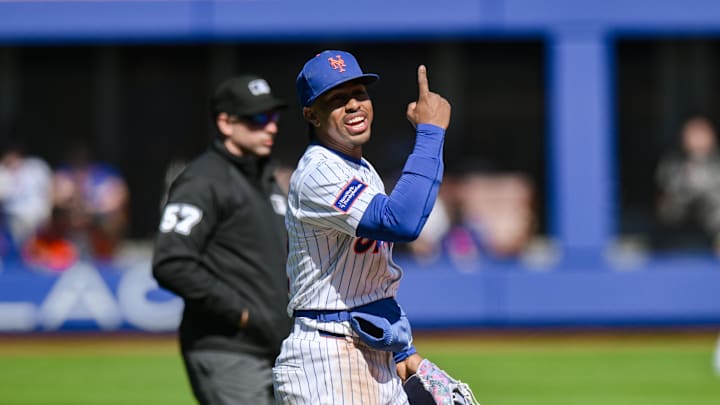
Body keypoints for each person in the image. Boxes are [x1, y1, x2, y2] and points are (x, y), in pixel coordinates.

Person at [272, 50, 479, 404]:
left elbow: (371, 280)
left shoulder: (363, 171)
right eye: (337, 99)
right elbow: (401, 221)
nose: (353, 105)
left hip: (368, 350)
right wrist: (430, 133)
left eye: (359, 94)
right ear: (311, 114)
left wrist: (402, 351)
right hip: (325, 360)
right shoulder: (318, 173)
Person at [152, 75, 293, 405]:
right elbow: (172, 261)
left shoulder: (265, 179)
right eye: (258, 118)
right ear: (226, 123)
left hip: (274, 348)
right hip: (229, 349)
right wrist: (241, 313)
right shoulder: (203, 180)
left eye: (273, 117)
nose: (271, 127)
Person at [654, 115, 720, 252]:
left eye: (702, 132)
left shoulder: (717, 164)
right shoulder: (671, 165)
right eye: (693, 133)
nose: (698, 139)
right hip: (680, 236)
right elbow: (666, 209)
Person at [0, 140, 53, 261]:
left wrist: (48, 213)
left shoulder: (37, 167)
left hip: (38, 216)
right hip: (12, 217)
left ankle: (34, 259)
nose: (11, 158)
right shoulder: (3, 172)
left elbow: (49, 190)